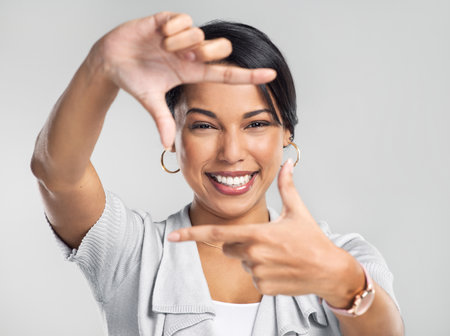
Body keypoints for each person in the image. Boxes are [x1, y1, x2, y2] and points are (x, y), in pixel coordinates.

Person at [31, 11, 404, 336]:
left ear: (286, 133)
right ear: (173, 136)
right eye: (204, 126)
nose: (231, 153)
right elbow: (55, 174)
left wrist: (342, 280)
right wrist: (101, 66)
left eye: (256, 124)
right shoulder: (130, 254)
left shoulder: (344, 255)